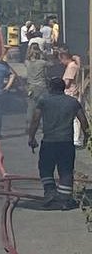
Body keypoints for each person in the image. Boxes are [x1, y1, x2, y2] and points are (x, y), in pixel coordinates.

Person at [27, 76, 89, 210]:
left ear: (50, 88)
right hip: (66, 143)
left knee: (45, 168)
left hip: (49, 142)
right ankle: (65, 200)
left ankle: (50, 192)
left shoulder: (43, 101)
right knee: (66, 170)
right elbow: (83, 121)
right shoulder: (72, 102)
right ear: (64, 88)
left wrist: (31, 138)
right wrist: (87, 137)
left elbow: (35, 120)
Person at [24, 42, 50, 118]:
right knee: (43, 107)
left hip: (31, 87)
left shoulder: (27, 62)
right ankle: (42, 123)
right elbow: (51, 64)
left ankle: (29, 124)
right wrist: (43, 54)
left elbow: (27, 58)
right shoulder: (42, 63)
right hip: (41, 86)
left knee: (31, 107)